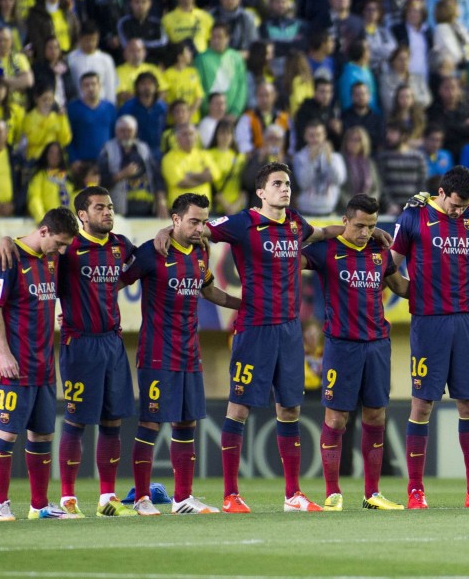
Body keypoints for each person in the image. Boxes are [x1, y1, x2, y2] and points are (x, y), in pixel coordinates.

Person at [154, 162, 351, 513]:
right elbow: (198, 231)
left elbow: (321, 233)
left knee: (289, 409)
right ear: (261, 192)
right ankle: (231, 494)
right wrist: (163, 233)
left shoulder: (295, 223)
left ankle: (293, 495)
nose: (285, 188)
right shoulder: (242, 223)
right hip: (254, 328)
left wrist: (355, 230)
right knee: (239, 408)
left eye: (288, 183)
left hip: (290, 330)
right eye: (277, 183)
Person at [390, 165, 469, 509]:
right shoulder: (413, 217)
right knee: (422, 404)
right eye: (455, 205)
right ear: (440, 192)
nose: (459, 212)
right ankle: (415, 491)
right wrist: (408, 292)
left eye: (464, 206)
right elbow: (390, 264)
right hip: (429, 322)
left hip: (466, 321)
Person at [121, 193, 241, 515]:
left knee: (186, 424)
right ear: (175, 220)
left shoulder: (201, 252)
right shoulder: (151, 252)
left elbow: (208, 289)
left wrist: (242, 305)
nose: (201, 227)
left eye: (204, 221)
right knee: (150, 423)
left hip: (189, 353)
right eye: (194, 221)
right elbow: (114, 282)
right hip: (157, 354)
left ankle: (182, 498)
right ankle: (142, 498)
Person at [301, 194, 410, 510]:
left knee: (376, 414)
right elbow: (289, 251)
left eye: (371, 226)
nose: (365, 232)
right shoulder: (327, 250)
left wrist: (435, 293)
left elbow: (400, 287)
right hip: (340, 345)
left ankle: (372, 494)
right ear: (345, 221)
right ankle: (333, 492)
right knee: (336, 418)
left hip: (377, 345)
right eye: (359, 225)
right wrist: (327, 230)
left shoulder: (379, 251)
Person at [0, 206, 79, 521]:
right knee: (7, 433)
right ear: (44, 231)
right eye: (60, 243)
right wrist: (4, 353)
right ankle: (0, 505)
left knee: (42, 435)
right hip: (12, 366)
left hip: (43, 366)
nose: (62, 251)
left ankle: (39, 506)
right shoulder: (7, 260)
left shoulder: (51, 258)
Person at [97, 115, 166, 218]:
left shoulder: (144, 148)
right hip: (120, 211)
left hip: (147, 211)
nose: (126, 134)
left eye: (129, 130)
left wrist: (161, 202)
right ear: (116, 132)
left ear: (135, 131)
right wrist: (122, 174)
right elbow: (101, 182)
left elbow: (157, 177)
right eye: (122, 130)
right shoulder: (107, 150)